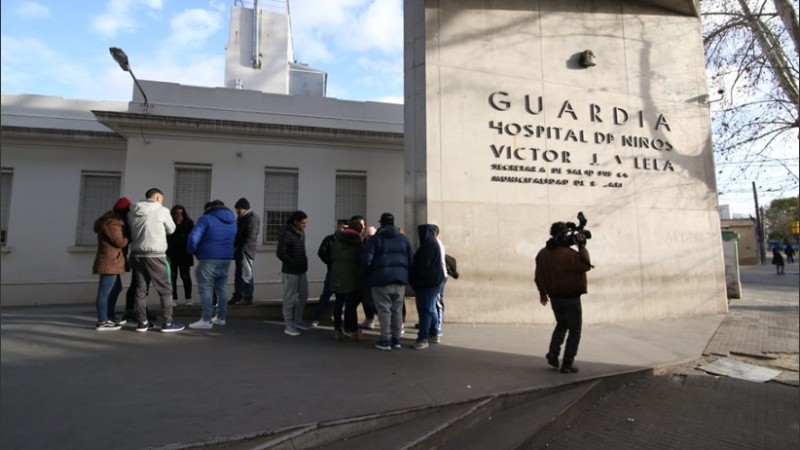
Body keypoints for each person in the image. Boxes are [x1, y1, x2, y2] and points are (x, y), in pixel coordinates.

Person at [535, 222, 592, 373]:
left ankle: (553, 355)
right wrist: (581, 246)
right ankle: (567, 363)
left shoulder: (542, 254)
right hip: (571, 297)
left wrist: (542, 293)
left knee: (561, 325)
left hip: (555, 297)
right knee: (575, 330)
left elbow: (538, 276)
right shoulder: (568, 253)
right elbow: (586, 265)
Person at [127, 188, 184, 333]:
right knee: (165, 290)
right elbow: (171, 229)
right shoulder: (162, 210)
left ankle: (142, 323)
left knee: (140, 290)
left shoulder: (133, 210)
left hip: (137, 254)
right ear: (158, 197)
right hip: (156, 254)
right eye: (162, 199)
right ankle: (168, 323)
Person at [362, 212, 413, 350]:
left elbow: (367, 260)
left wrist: (368, 275)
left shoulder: (374, 239)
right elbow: (410, 260)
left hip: (380, 280)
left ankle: (385, 340)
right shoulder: (404, 239)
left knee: (384, 311)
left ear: (381, 223)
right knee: (396, 310)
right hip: (400, 280)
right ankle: (396, 340)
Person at [186, 200, 237, 329]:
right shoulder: (233, 220)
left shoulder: (206, 218)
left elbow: (193, 238)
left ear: (209, 208)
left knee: (206, 289)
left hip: (208, 258)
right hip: (226, 258)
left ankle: (206, 319)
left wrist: (193, 251)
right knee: (222, 288)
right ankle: (220, 318)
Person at [91, 197, 131, 331]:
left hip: (114, 261)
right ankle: (102, 320)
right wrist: (130, 237)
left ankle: (109, 316)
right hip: (110, 262)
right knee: (104, 292)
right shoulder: (112, 223)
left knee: (116, 288)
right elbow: (119, 242)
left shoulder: (112, 221)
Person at [410, 224, 446, 350]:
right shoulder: (432, 243)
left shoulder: (428, 246)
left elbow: (423, 266)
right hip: (434, 281)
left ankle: (423, 338)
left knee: (425, 310)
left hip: (427, 283)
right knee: (431, 309)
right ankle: (433, 333)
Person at [330, 219, 367, 342]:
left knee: (338, 303)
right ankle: (354, 330)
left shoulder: (337, 239)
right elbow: (362, 260)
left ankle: (337, 331)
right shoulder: (357, 242)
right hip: (352, 276)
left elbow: (329, 255)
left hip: (337, 275)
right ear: (359, 230)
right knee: (351, 305)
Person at [276, 210, 310, 336]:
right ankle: (288, 325)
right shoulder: (286, 233)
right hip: (291, 272)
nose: (305, 225)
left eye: (306, 223)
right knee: (289, 299)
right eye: (303, 223)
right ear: (295, 222)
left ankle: (298, 320)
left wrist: (303, 263)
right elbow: (280, 253)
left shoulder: (301, 232)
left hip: (302, 270)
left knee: (304, 295)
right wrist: (294, 263)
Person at [313, 219, 348, 326]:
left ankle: (340, 318)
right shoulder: (330, 239)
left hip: (345, 274)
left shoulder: (349, 240)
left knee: (342, 297)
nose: (344, 230)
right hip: (332, 272)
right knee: (326, 295)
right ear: (338, 227)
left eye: (346, 228)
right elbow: (321, 252)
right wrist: (330, 262)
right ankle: (316, 317)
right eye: (342, 227)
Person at [228, 197, 260, 306]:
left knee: (246, 274)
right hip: (240, 250)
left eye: (239, 209)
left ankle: (246, 297)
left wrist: (242, 250)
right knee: (239, 274)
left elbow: (250, 236)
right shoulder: (243, 218)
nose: (237, 211)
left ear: (244, 208)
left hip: (245, 251)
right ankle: (238, 295)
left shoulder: (252, 218)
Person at [166, 205, 194, 307]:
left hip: (184, 254)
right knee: (172, 277)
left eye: (181, 213)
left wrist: (181, 225)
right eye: (177, 213)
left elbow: (188, 237)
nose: (179, 215)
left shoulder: (189, 223)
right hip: (172, 254)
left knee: (185, 276)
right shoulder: (169, 224)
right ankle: (174, 298)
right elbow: (169, 237)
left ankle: (189, 297)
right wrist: (176, 225)